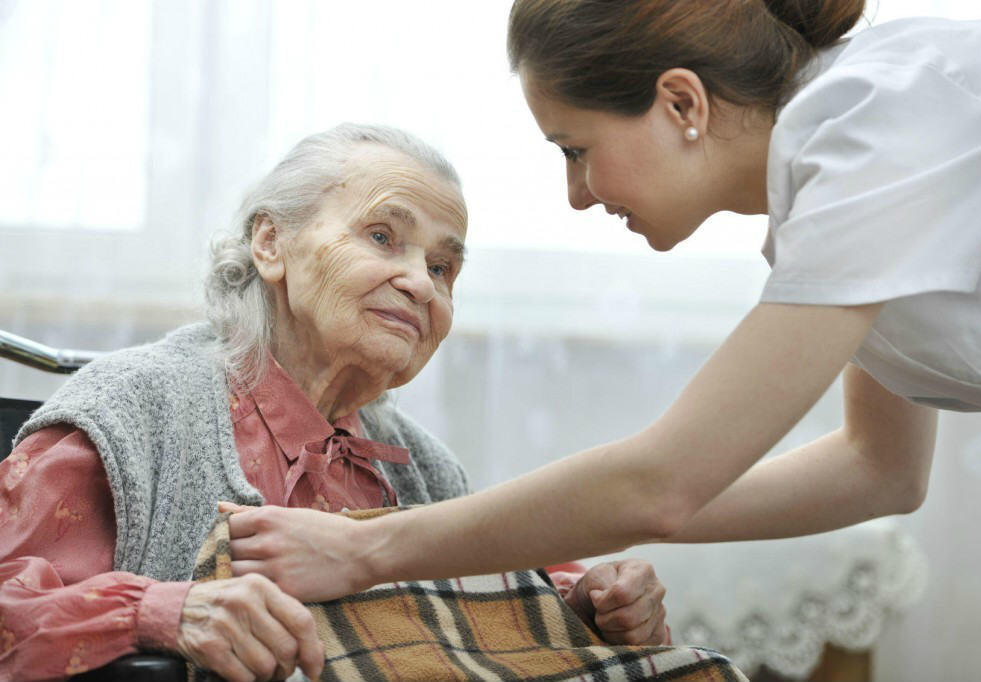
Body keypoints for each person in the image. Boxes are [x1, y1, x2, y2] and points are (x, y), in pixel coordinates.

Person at [219, 0, 981, 603]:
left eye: (576, 149)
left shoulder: (873, 129)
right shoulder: (835, 198)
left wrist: (367, 550)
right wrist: (554, 539)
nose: (576, 194)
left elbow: (662, 483)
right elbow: (876, 470)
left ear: (682, 104)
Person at [0, 123, 669, 682]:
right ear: (271, 244)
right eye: (382, 236)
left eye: (443, 268)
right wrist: (166, 611)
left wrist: (586, 608)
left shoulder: (424, 469)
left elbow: (485, 610)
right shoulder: (134, 408)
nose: (420, 284)